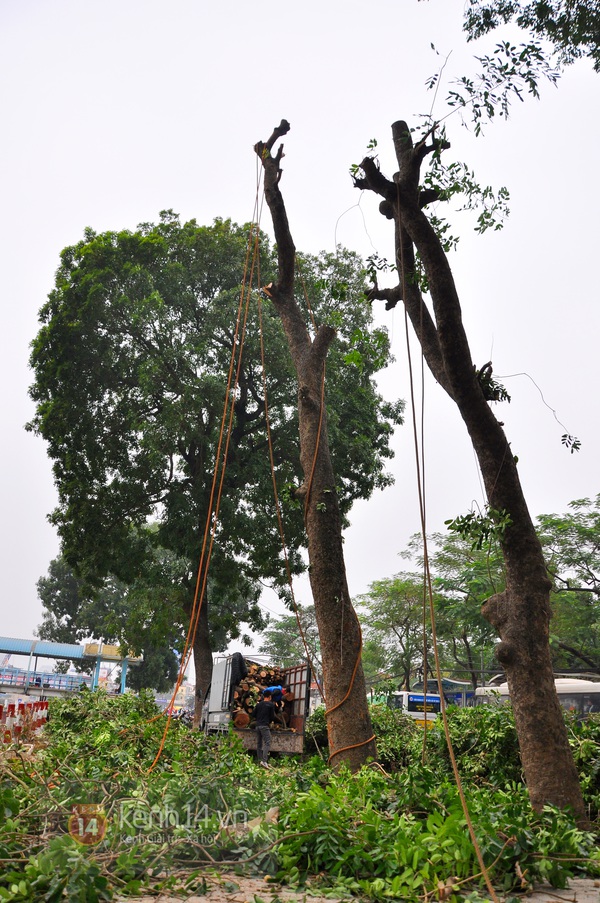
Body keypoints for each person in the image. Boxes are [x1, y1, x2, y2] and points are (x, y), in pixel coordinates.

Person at [253, 690, 276, 768]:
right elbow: (272, 717)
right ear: (269, 697)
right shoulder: (271, 705)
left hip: (257, 726)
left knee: (259, 743)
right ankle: (264, 761)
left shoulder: (259, 705)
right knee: (267, 742)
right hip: (264, 726)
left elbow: (253, 714)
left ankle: (259, 760)